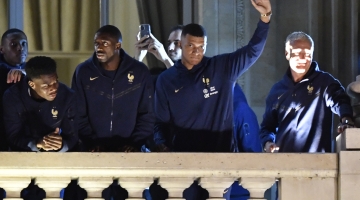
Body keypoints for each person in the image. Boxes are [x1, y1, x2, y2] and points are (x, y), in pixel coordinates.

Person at [154, 0, 271, 153]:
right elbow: (160, 123)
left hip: (222, 159)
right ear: (181, 44)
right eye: (191, 46)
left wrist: (265, 17)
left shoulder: (221, 68)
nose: (197, 51)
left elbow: (252, 51)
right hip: (185, 160)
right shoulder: (166, 79)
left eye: (201, 46)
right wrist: (162, 144)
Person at [260, 31, 354, 153]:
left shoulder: (324, 82)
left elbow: (340, 101)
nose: (303, 59)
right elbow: (267, 128)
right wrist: (267, 143)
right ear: (287, 54)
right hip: (283, 165)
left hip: (318, 165)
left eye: (308, 54)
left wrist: (346, 119)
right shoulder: (277, 91)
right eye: (298, 53)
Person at [72, 25, 154, 152]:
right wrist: (91, 142)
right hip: (92, 150)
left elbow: (147, 113)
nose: (99, 47)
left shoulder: (139, 71)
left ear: (117, 46)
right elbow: (77, 112)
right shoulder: (83, 71)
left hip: (131, 150)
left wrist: (135, 143)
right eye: (96, 43)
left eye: (104, 43)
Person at [3, 56, 78, 152]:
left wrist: (61, 145)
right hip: (23, 155)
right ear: (32, 84)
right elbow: (13, 137)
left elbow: (73, 137)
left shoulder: (67, 96)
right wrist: (38, 143)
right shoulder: (12, 97)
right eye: (46, 86)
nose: (54, 88)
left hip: (58, 156)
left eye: (56, 82)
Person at [0, 28, 28, 152]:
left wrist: (25, 73)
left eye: (24, 44)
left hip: (25, 137)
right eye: (13, 44)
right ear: (2, 49)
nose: (20, 48)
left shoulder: (32, 69)